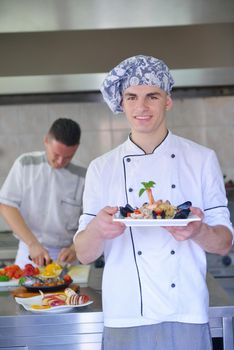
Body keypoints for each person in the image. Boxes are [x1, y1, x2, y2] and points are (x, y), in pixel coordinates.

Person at [74, 55, 233, 350]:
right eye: (132, 97)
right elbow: (83, 253)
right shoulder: (101, 168)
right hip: (125, 314)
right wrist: (98, 230)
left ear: (167, 101)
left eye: (152, 96)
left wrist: (198, 232)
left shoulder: (201, 159)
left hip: (186, 311)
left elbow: (224, 243)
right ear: (122, 103)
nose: (141, 107)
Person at [0, 118, 86, 267]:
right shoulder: (25, 164)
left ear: (76, 148)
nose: (60, 161)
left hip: (67, 257)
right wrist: (32, 243)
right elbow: (6, 205)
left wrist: (75, 248)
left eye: (67, 157)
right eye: (56, 154)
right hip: (30, 251)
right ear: (46, 140)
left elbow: (90, 219)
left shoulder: (83, 175)